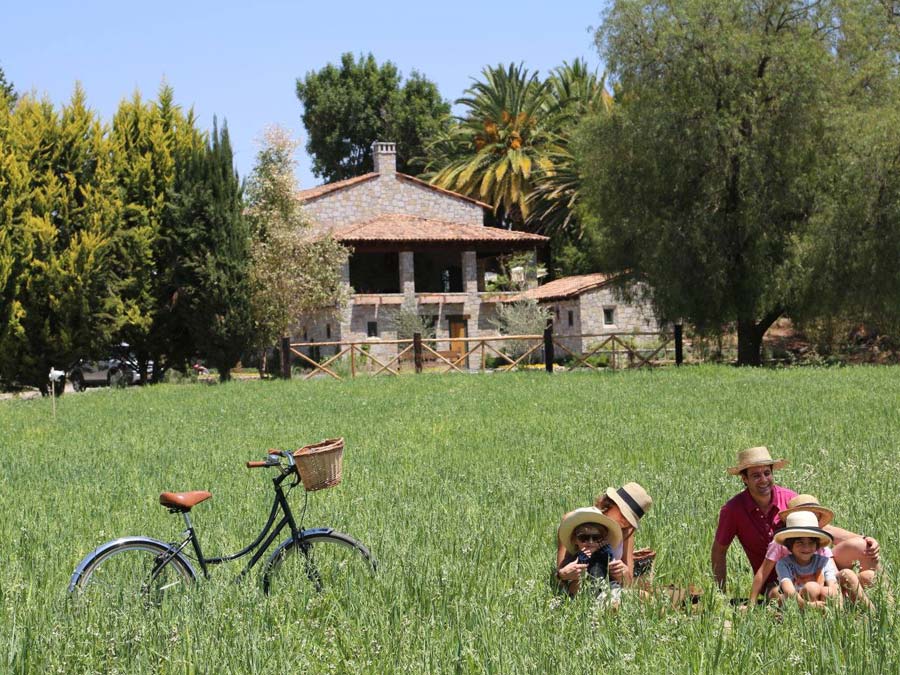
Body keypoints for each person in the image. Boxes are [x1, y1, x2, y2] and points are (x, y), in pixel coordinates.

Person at [711, 447, 880, 593]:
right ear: (744, 479)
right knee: (783, 595)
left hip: (814, 565)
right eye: (756, 475)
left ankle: (883, 597)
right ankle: (840, 595)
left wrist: (863, 538)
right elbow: (719, 551)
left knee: (863, 547)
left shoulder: (790, 499)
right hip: (778, 577)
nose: (763, 480)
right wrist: (720, 595)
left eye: (767, 473)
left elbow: (822, 529)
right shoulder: (733, 510)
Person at [556, 482, 653, 589]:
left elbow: (628, 582)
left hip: (610, 586)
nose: (625, 522)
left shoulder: (626, 531)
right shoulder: (575, 521)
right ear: (611, 503)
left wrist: (624, 575)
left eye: (630, 520)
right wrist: (563, 575)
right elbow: (560, 574)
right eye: (624, 514)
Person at [773, 511, 841, 609]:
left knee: (828, 591)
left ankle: (828, 618)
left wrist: (838, 606)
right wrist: (809, 606)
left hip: (822, 601)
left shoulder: (824, 562)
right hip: (797, 603)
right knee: (811, 588)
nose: (806, 548)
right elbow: (789, 591)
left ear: (817, 545)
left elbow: (834, 586)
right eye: (800, 543)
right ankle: (808, 617)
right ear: (790, 545)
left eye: (811, 543)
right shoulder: (784, 564)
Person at [555, 506, 623, 599]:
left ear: (604, 539)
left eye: (596, 538)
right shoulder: (573, 560)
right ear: (574, 539)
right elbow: (570, 588)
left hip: (607, 590)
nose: (590, 542)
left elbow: (617, 579)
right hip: (583, 595)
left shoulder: (605, 554)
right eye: (584, 538)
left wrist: (609, 559)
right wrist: (580, 565)